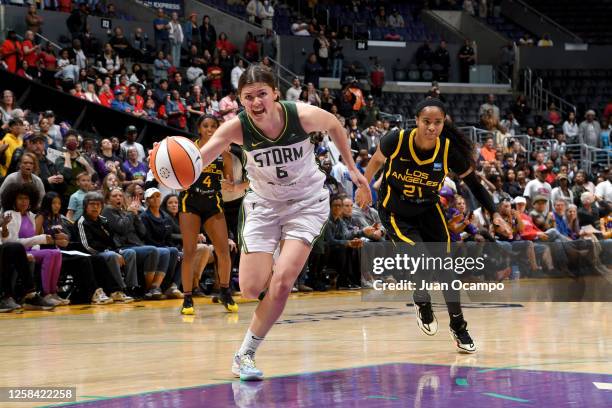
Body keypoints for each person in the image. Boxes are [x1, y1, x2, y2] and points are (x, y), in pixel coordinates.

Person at [194, 64, 368, 380]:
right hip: (264, 205)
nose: (256, 102)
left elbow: (333, 124)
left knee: (284, 281)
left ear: (275, 93)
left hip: (306, 204)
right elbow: (198, 160)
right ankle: (274, 257)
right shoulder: (236, 128)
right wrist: (168, 162)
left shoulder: (299, 115)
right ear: (240, 100)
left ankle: (245, 353)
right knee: (249, 288)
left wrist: (352, 167)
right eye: (249, 97)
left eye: (262, 94)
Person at [356, 98, 504, 354]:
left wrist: (494, 213)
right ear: (417, 121)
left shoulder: (448, 151)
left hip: (428, 209)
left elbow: (475, 185)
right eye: (427, 122)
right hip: (395, 210)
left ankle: (458, 326)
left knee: (446, 269)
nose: (432, 127)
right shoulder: (397, 140)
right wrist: (364, 186)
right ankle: (422, 301)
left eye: (437, 123)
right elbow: (376, 161)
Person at [178, 115, 237, 316]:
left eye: (214, 126)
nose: (210, 129)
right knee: (189, 251)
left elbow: (230, 183)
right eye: (206, 126)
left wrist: (230, 184)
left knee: (223, 250)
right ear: (199, 128)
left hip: (213, 202)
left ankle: (225, 291)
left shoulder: (224, 153)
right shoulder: (188, 150)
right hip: (190, 201)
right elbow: (177, 177)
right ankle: (187, 298)